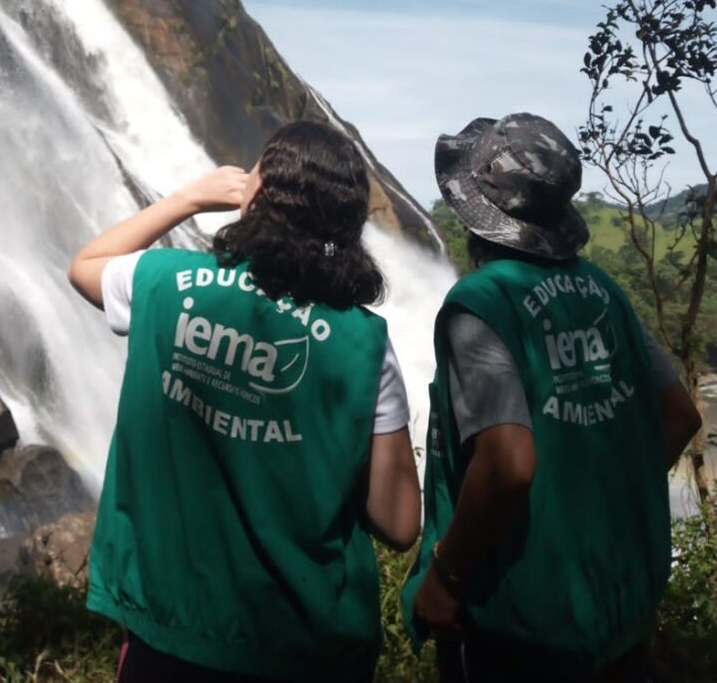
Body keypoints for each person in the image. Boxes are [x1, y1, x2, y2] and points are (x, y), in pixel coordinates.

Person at [68, 120, 421, 683]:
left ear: (255, 197)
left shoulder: (162, 280)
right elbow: (400, 522)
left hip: (171, 633)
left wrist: (187, 199)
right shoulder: (365, 344)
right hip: (306, 645)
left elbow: (84, 266)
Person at [402, 112, 702, 683]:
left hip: (523, 622)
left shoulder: (482, 302)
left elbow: (509, 462)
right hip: (618, 607)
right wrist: (596, 506)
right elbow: (680, 415)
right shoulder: (602, 290)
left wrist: (445, 578)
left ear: (475, 214)